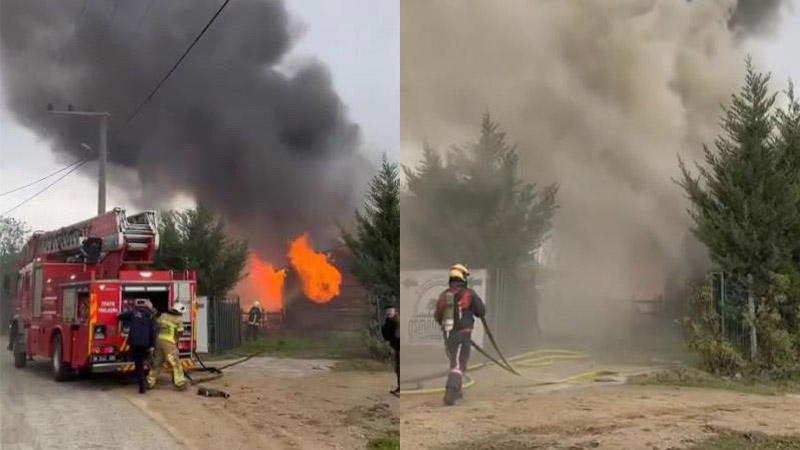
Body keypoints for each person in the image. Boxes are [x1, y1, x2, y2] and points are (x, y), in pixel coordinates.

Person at [434, 263, 486, 406]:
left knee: (457, 362)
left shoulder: (444, 295)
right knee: (457, 365)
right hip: (464, 335)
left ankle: (457, 391)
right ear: (463, 277)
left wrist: (447, 327)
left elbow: (437, 316)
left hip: (450, 336)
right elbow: (481, 312)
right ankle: (450, 392)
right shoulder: (469, 294)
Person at [116, 299, 157, 394]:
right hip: (146, 345)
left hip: (135, 344)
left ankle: (142, 386)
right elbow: (153, 332)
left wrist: (118, 312)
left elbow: (120, 317)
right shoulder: (151, 316)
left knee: (139, 366)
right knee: (152, 364)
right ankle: (150, 381)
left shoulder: (133, 313)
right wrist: (152, 345)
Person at [146, 303, 188, 390]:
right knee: (175, 362)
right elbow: (180, 333)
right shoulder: (178, 319)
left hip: (158, 342)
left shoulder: (163, 315)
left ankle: (149, 381)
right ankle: (180, 382)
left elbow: (156, 325)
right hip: (168, 344)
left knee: (157, 363)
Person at [381, 303, 400, 396]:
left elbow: (396, 336)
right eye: (387, 311)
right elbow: (386, 334)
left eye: (390, 310)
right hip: (397, 347)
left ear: (394, 311)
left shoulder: (397, 321)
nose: (388, 312)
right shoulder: (388, 321)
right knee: (398, 369)